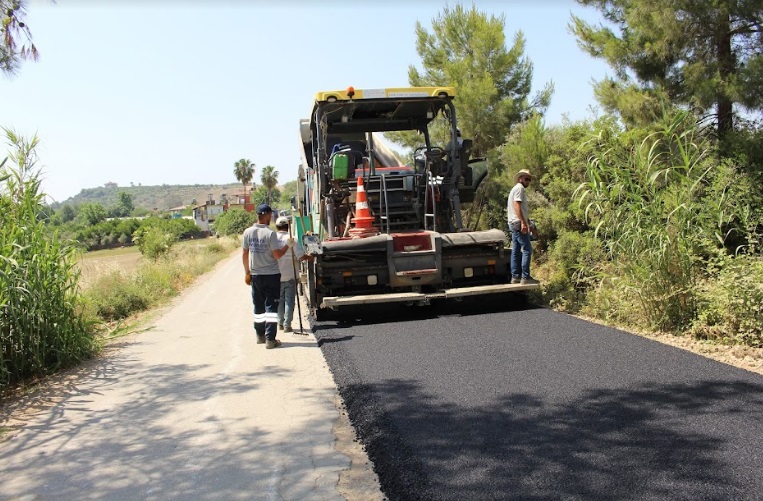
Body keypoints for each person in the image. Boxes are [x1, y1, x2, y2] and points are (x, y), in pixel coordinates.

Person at [242, 204, 293, 349]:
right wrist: (287, 246)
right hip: (271, 275)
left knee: (258, 306)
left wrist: (247, 272)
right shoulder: (270, 234)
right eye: (270, 215)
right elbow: (277, 255)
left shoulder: (247, 232)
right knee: (271, 307)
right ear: (267, 215)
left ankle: (260, 336)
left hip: (256, 275)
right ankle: (270, 339)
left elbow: (244, 253)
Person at [274, 216, 309, 333]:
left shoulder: (272, 239)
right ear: (288, 227)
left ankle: (280, 323)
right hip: (290, 275)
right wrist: (311, 257)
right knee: (289, 301)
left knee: (279, 300)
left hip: (276, 275)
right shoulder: (292, 239)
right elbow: (301, 256)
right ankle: (287, 325)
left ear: (277, 227)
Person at [507, 169, 539, 285]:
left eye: (529, 180)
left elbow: (522, 210)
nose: (528, 182)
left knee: (516, 250)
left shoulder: (515, 189)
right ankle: (525, 277)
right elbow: (517, 205)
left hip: (514, 223)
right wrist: (523, 223)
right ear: (520, 179)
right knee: (527, 249)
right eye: (526, 179)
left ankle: (515, 277)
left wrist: (531, 227)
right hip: (517, 223)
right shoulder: (519, 188)